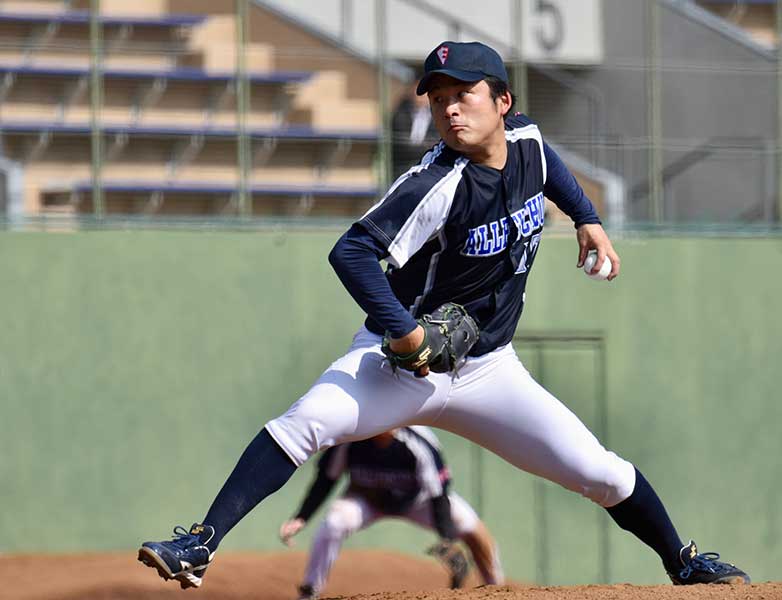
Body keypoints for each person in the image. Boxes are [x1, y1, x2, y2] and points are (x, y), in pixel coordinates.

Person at [137, 40, 750, 589]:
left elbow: (546, 163)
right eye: (438, 99)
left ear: (503, 101)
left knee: (601, 473)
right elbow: (350, 251)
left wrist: (586, 218)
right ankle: (199, 543)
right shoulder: (436, 182)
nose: (451, 109)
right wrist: (402, 334)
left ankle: (683, 563)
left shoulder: (527, 142)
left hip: (489, 371)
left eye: (465, 94)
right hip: (402, 365)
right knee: (306, 422)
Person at [279, 427, 504, 599]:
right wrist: (302, 516)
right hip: (366, 500)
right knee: (333, 524)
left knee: (472, 527)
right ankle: (310, 590)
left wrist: (446, 537)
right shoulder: (350, 439)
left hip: (418, 502)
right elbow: (327, 479)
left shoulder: (417, 442)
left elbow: (438, 495)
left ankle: (498, 590)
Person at [391, 79, 440, 182]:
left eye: (424, 93)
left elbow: (436, 142)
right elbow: (400, 143)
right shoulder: (400, 114)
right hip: (403, 165)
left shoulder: (438, 116)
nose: (420, 97)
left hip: (429, 166)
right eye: (418, 92)